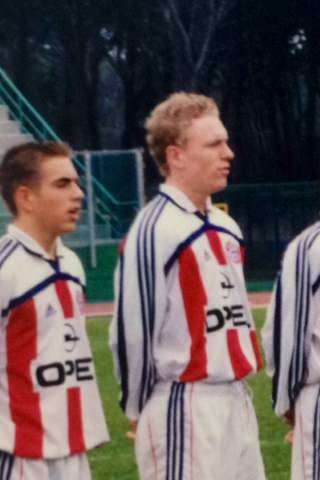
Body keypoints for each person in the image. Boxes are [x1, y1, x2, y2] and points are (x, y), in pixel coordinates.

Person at [109, 92, 265, 479]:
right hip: (185, 402)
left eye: (226, 142)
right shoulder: (155, 228)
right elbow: (132, 331)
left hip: (236, 400)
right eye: (214, 144)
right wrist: (138, 406)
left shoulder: (226, 226)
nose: (228, 153)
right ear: (176, 156)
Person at [0, 141, 109, 479]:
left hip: (71, 452)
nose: (78, 194)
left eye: (77, 183)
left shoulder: (72, 264)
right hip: (17, 456)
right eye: (62, 184)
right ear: (26, 198)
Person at [262, 219, 320, 479]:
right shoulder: (310, 246)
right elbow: (288, 330)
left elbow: (284, 330)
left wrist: (284, 397)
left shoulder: (308, 245)